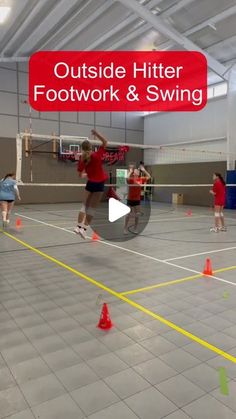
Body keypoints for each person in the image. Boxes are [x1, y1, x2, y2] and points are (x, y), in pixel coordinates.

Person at [74, 129, 108, 239]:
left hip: (90, 183)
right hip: (99, 184)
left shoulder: (82, 158)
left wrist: (86, 174)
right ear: (91, 147)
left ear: (82, 149)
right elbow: (105, 142)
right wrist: (97, 134)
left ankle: (78, 227)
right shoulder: (97, 155)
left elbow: (80, 175)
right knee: (92, 208)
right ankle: (84, 230)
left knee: (84, 205)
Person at [124, 164, 151, 234]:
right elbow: (126, 178)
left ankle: (135, 228)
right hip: (130, 199)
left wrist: (144, 170)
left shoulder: (141, 179)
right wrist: (130, 171)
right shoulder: (131, 179)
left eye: (138, 171)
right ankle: (125, 228)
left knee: (137, 214)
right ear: (133, 173)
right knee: (128, 214)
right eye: (136, 171)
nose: (137, 172)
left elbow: (149, 177)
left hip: (137, 199)